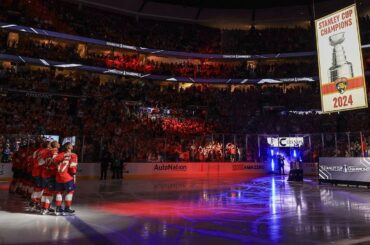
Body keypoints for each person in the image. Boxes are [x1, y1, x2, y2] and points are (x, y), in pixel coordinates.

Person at [54, 142, 78, 215]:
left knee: (59, 192)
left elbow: (54, 161)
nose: (72, 146)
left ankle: (58, 208)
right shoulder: (73, 155)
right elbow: (72, 167)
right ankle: (67, 208)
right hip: (67, 177)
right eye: (71, 145)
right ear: (69, 147)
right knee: (70, 192)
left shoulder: (60, 154)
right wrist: (74, 175)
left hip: (58, 176)